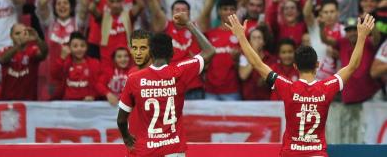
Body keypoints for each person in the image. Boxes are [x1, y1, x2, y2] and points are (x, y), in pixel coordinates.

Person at [226, 13, 375, 157]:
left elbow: (257, 64)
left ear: (295, 66)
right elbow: (352, 66)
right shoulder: (327, 87)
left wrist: (240, 36)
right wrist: (362, 37)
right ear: (317, 64)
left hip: (291, 153)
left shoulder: (286, 87)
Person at [117, 12, 215, 156]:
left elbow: (121, 119)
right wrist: (188, 24)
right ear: (172, 53)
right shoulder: (180, 71)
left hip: (144, 149)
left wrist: (126, 137)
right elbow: (210, 51)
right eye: (135, 48)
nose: (138, 52)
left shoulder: (134, 79)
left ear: (151, 52)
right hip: (173, 149)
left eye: (143, 48)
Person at [0, 23, 48, 100]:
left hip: (29, 103)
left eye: (24, 33)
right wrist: (18, 46)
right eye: (17, 34)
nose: (20, 36)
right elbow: (2, 59)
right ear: (11, 37)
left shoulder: (33, 50)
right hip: (7, 101)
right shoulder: (5, 50)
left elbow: (44, 53)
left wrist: (38, 39)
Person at [52, 31, 101, 101]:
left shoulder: (94, 63)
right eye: (75, 46)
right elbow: (55, 76)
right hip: (68, 103)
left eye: (82, 46)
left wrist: (93, 95)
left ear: (87, 47)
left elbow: (99, 83)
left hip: (87, 104)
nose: (79, 49)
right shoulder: (65, 62)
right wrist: (62, 58)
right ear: (69, 47)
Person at [238, 25, 276, 100]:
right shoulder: (243, 56)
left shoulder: (271, 58)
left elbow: (272, 80)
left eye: (259, 38)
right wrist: (254, 52)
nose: (256, 41)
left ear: (264, 42)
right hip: (248, 100)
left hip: (266, 100)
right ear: (249, 42)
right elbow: (243, 76)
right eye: (254, 38)